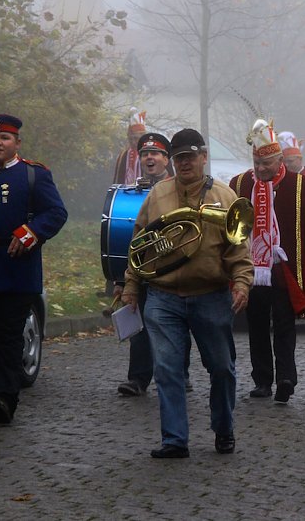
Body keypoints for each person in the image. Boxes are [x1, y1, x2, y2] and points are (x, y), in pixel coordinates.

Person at [121, 128, 253, 457]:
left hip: (210, 295)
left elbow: (239, 251)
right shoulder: (157, 195)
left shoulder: (224, 197)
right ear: (173, 161)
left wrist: (241, 282)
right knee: (166, 369)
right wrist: (131, 285)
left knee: (222, 368)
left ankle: (224, 428)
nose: (185, 164)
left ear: (203, 158)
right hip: (164, 297)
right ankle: (175, 440)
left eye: (190, 157)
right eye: (179, 159)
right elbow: (139, 243)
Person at [0, 114, 68, 424]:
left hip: (17, 268)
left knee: (10, 333)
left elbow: (56, 212)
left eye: (4, 138)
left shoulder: (33, 175)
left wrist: (31, 232)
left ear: (17, 143)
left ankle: (5, 397)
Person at [230, 120, 305, 403]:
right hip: (251, 266)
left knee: (284, 322)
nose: (261, 169)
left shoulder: (301, 186)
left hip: (285, 267)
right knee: (255, 323)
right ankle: (262, 379)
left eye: (266, 163)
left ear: (280, 160)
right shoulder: (240, 184)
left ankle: (286, 377)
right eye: (257, 163)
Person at [114, 132, 191, 397]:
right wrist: (121, 280)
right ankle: (138, 379)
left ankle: (181, 373)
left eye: (155, 153)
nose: (149, 158)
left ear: (166, 159)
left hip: (172, 267)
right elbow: (124, 237)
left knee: (177, 324)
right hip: (142, 267)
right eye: (145, 153)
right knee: (140, 321)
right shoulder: (131, 192)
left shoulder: (179, 187)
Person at [113, 107, 147, 185]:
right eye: (131, 139)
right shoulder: (123, 156)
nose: (133, 142)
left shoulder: (150, 155)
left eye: (136, 138)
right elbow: (118, 181)